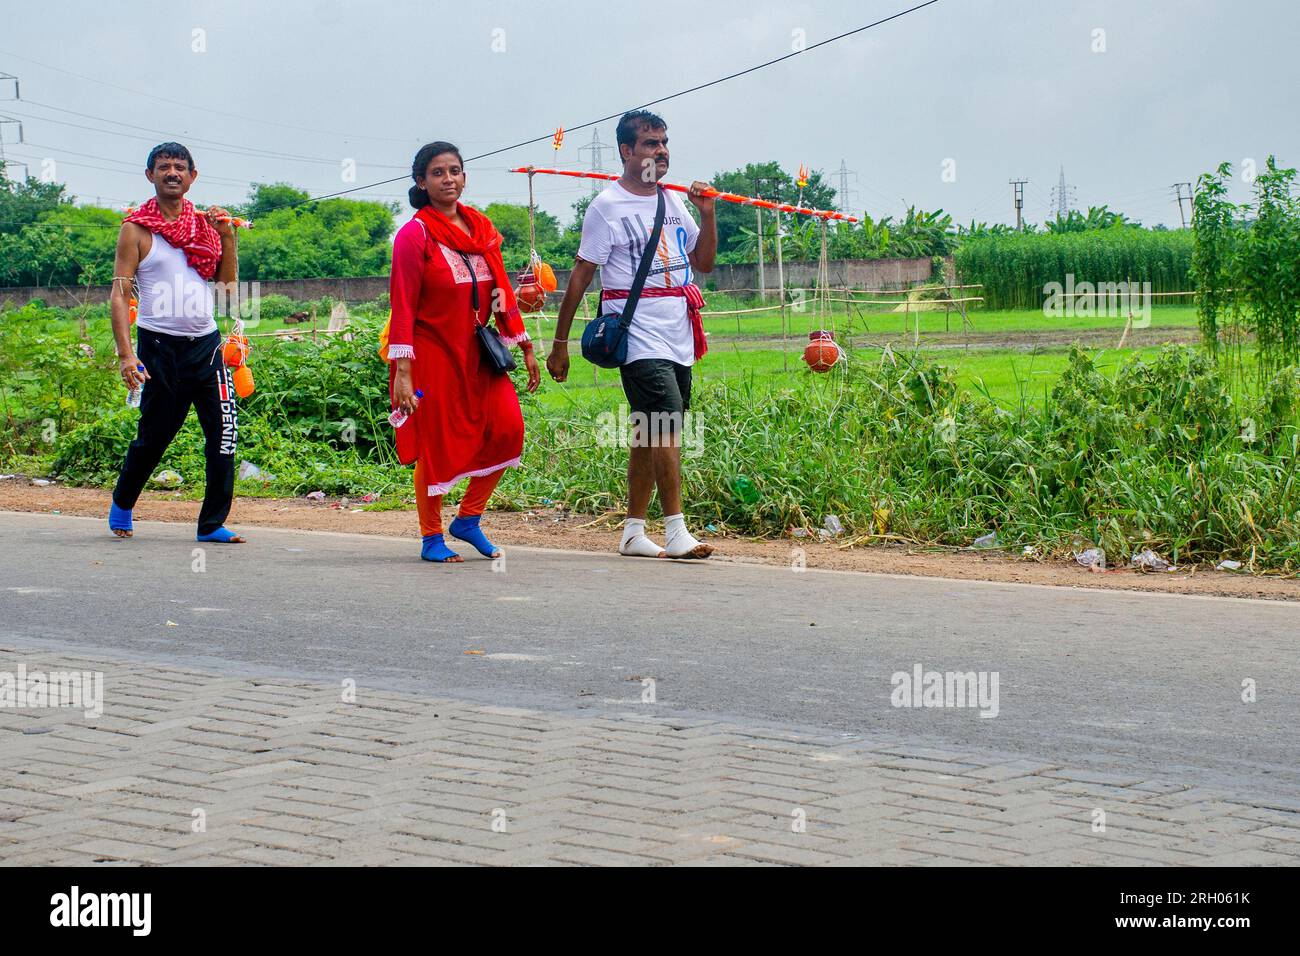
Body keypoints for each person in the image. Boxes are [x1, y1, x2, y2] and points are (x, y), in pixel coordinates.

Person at [547, 110, 717, 559]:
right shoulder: (607, 207)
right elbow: (582, 275)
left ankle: (632, 532)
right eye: (648, 143)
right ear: (626, 151)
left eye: (663, 143)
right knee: (666, 419)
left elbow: (703, 263)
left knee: (649, 428)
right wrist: (560, 345)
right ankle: (677, 528)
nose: (659, 151)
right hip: (636, 332)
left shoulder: (675, 201)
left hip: (678, 329)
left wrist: (708, 213)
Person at [385, 141, 541, 563]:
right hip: (430, 355)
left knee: (508, 428)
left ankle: (468, 518)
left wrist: (523, 343)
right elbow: (402, 304)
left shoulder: (482, 230)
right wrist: (403, 372)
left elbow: (502, 291)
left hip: (478, 351)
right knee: (437, 443)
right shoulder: (414, 235)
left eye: (455, 170)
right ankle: (431, 536)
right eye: (438, 173)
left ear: (464, 177)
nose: (448, 179)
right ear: (422, 182)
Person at [108, 142, 244, 543]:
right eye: (164, 167)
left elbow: (227, 290)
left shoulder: (205, 226)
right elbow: (120, 294)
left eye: (180, 167)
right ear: (149, 175)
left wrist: (228, 238)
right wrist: (125, 355)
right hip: (159, 347)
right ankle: (123, 501)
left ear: (192, 176)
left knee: (224, 433)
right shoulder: (135, 230)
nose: (172, 173)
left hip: (208, 347)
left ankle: (211, 524)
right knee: (155, 436)